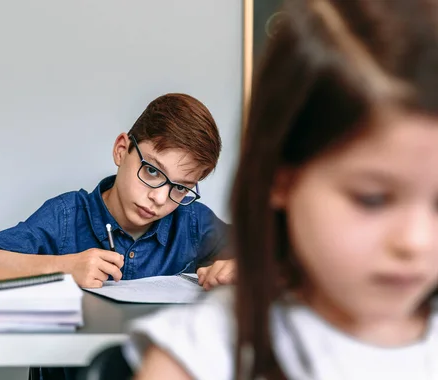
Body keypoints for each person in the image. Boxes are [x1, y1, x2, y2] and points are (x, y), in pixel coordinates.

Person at [125, 0, 438, 379]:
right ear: (281, 178)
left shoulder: (196, 223)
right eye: (372, 199)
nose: (417, 242)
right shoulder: (202, 354)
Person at [0, 93, 236, 290]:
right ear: (121, 150)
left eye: (179, 187)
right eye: (152, 171)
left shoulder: (193, 222)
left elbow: (270, 257)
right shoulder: (66, 216)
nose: (160, 198)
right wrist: (64, 268)